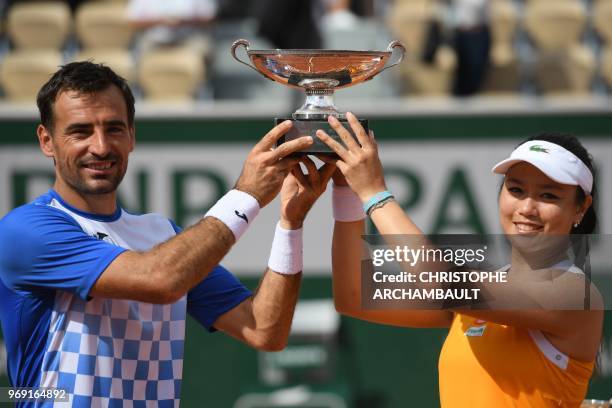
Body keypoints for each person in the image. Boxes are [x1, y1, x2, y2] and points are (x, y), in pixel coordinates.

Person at [0, 61, 336, 407]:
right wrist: (246, 196)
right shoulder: (25, 230)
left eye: (114, 129)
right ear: (47, 141)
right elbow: (161, 280)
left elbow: (265, 330)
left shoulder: (160, 233)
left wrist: (291, 224)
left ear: (131, 136)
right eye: (80, 131)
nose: (100, 147)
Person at [316, 112, 603, 406]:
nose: (527, 208)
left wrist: (374, 193)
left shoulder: (573, 294)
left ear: (581, 208)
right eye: (516, 190)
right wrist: (347, 190)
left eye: (549, 196)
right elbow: (354, 296)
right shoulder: (483, 292)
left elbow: (441, 283)